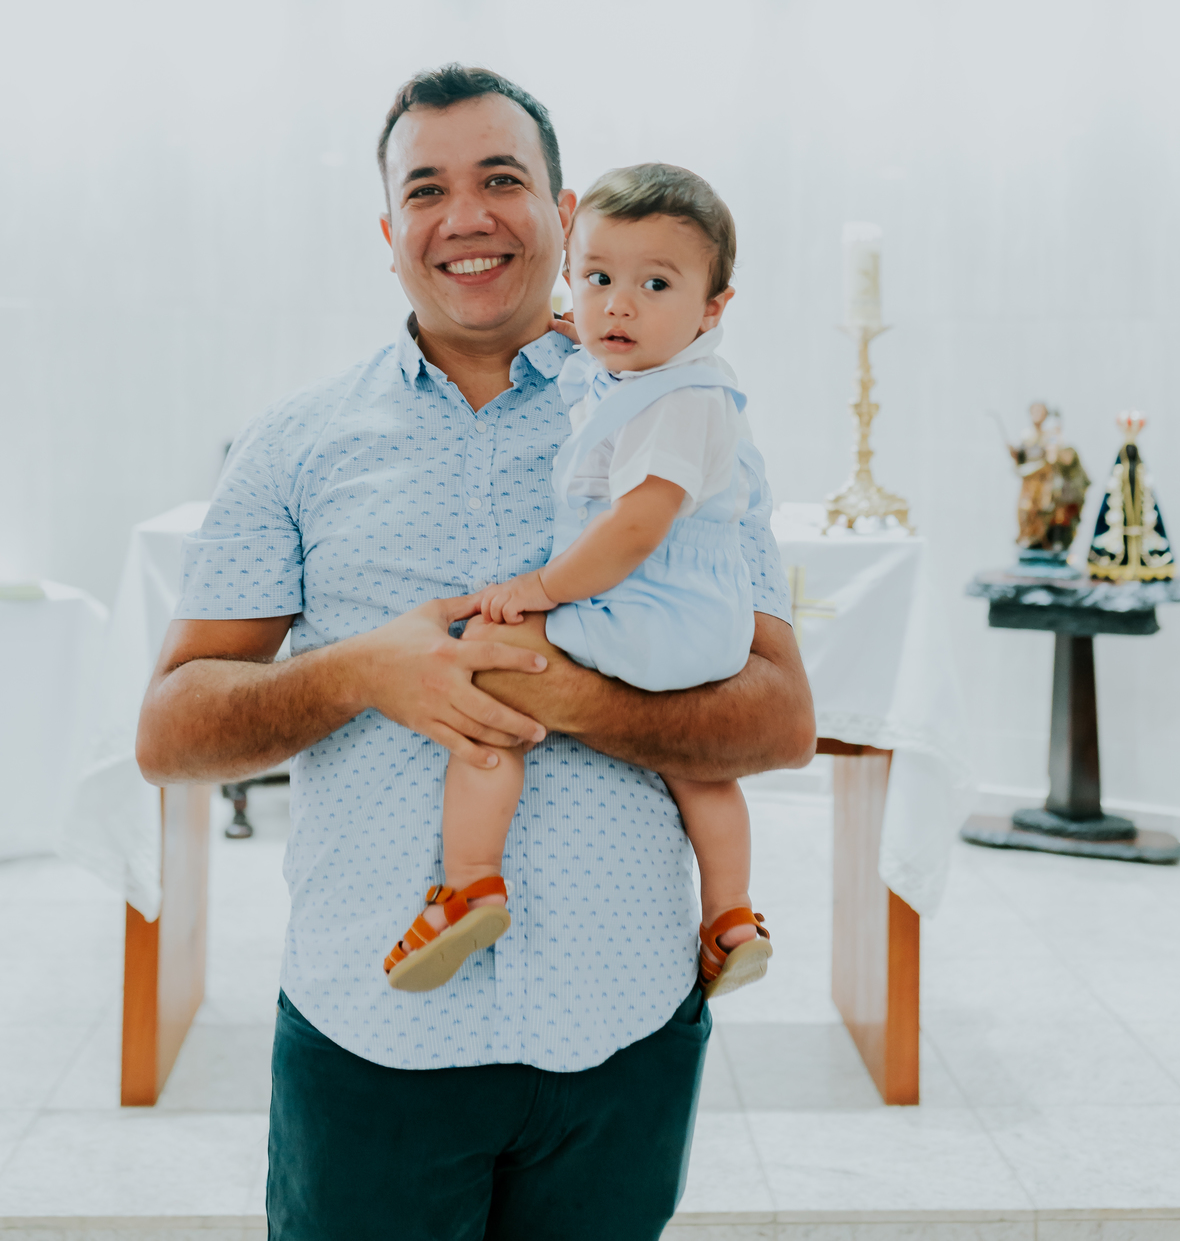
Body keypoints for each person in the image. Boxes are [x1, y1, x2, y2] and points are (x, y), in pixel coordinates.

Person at [135, 63, 815, 1241]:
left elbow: (780, 720)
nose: (466, 216)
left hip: (622, 1034)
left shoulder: (680, 413)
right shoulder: (294, 443)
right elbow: (171, 733)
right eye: (426, 190)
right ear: (388, 231)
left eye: (502, 180)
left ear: (563, 212)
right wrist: (362, 671)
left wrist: (572, 695)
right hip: (372, 1037)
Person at [385, 161, 773, 1002]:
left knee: (489, 661)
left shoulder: (679, 403)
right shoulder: (643, 376)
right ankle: (731, 917)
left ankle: (470, 883)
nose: (618, 306)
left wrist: (542, 589)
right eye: (598, 279)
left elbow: (634, 529)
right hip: (697, 622)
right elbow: (597, 364)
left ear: (714, 308)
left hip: (649, 607)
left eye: (655, 284)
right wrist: (576, 328)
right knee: (700, 768)